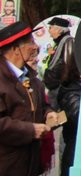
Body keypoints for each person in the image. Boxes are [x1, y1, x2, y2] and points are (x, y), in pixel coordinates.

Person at [0, 20, 56, 176]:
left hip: (30, 163)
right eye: (31, 42)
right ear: (15, 49)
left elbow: (40, 105)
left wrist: (48, 113)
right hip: (7, 165)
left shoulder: (32, 78)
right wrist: (30, 130)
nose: (35, 47)